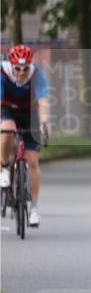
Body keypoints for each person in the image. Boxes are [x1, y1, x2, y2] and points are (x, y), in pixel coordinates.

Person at [1, 45, 51, 227]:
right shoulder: (3, 72)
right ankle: (4, 168)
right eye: (17, 68)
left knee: (33, 161)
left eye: (25, 68)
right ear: (11, 65)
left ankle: (34, 209)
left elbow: (43, 100)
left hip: (30, 113)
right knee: (7, 130)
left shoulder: (37, 74)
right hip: (7, 109)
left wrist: (44, 122)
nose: (21, 73)